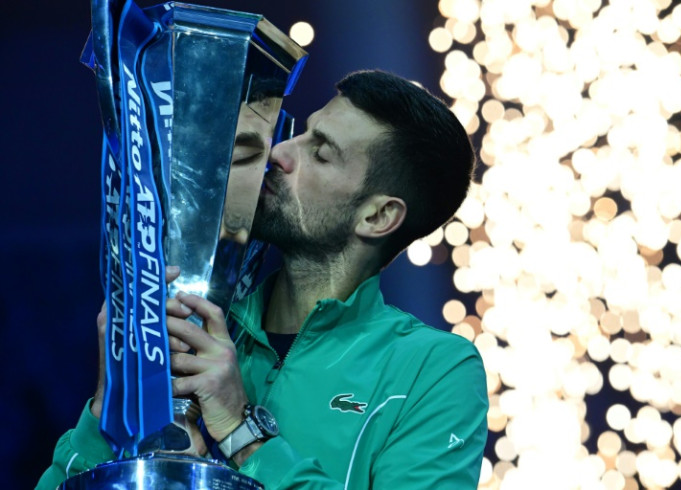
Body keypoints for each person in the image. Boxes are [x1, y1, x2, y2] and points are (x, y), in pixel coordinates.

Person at [37, 70, 488, 489]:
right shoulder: (191, 324)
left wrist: (241, 433)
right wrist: (110, 406)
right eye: (303, 134)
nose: (279, 152)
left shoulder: (434, 369)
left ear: (378, 215)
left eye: (320, 153)